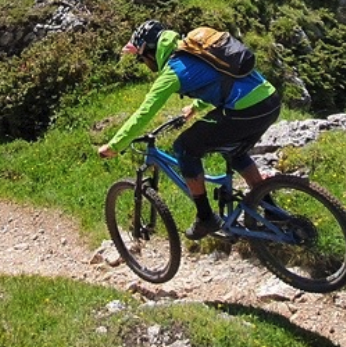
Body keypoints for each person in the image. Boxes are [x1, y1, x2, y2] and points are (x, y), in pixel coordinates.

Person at [97, 19, 282, 239]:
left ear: (150, 52)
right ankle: (272, 211)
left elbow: (144, 113)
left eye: (141, 58)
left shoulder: (173, 71)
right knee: (235, 151)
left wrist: (115, 145)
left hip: (247, 110)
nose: (144, 63)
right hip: (270, 101)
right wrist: (195, 107)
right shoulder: (194, 48)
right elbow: (222, 79)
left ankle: (206, 218)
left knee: (184, 147)